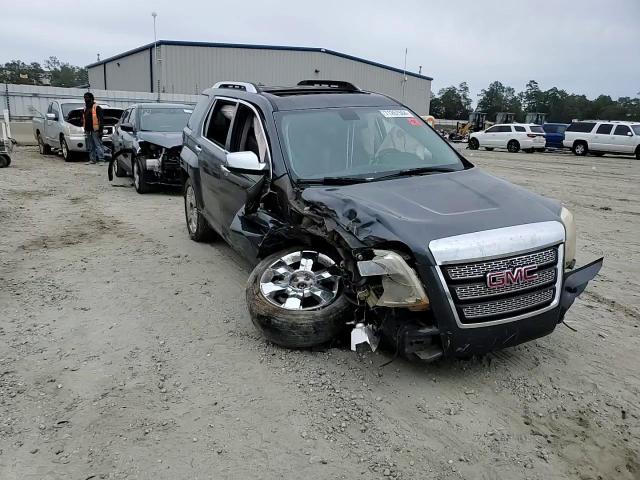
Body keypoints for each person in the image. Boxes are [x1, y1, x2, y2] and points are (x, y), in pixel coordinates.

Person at [82, 92, 104, 164]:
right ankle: (92, 159)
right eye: (84, 98)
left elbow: (101, 119)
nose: (85, 99)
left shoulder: (97, 107)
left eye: (87, 97)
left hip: (95, 129)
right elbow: (83, 118)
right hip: (88, 129)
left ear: (91, 98)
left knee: (98, 144)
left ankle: (101, 159)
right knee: (90, 145)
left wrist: (101, 130)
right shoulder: (85, 108)